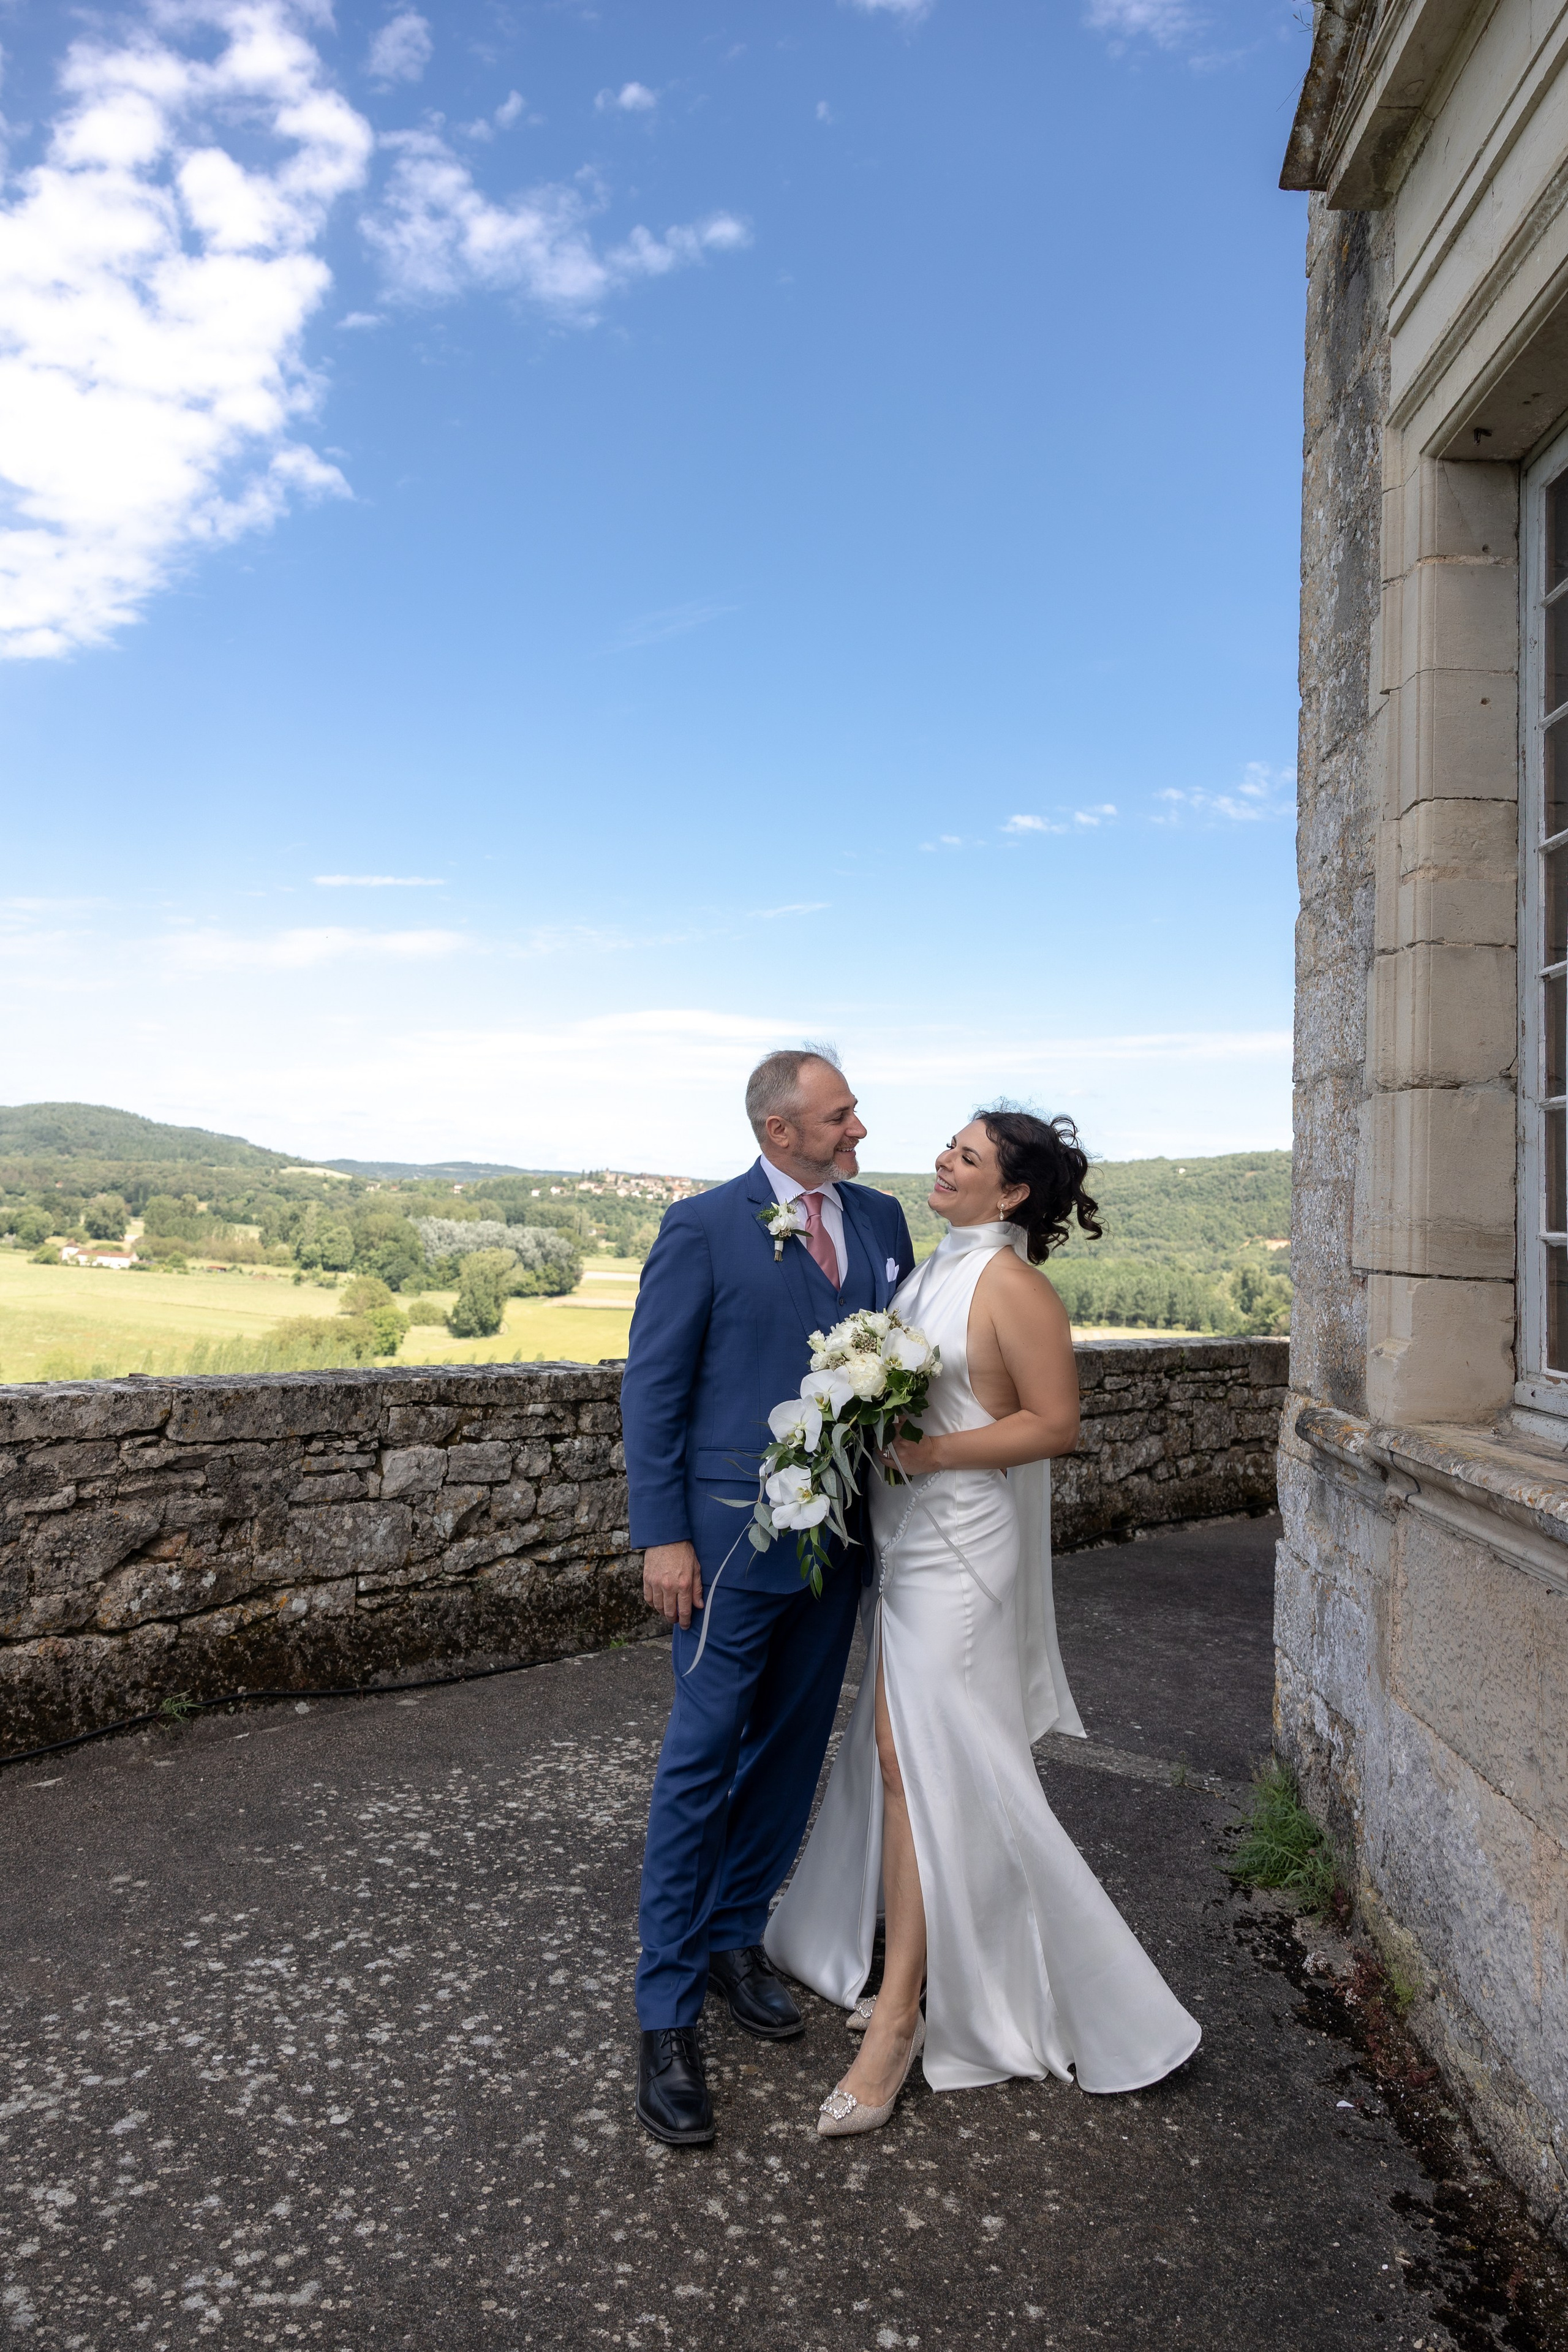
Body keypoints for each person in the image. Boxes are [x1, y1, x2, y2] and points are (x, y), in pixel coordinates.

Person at [765, 1107, 1201, 2135]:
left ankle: (905, 2018)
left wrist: (922, 1456)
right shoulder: (931, 1271)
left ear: (1011, 1193)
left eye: (968, 1157)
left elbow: (1054, 1424)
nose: (944, 1162)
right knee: (897, 1759)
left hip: (962, 1550)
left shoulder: (1014, 1286)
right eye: (949, 1149)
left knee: (914, 1761)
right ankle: (931, 1971)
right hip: (910, 1544)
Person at [621, 1046, 916, 2145]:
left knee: (792, 1750)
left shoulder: (882, 1222)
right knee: (701, 1759)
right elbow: (653, 1388)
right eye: (840, 1116)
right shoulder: (702, 1227)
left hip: (838, 1546)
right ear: (779, 1132)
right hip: (726, 1547)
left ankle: (736, 1932)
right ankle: (664, 2012)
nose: (859, 1131)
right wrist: (662, 1536)